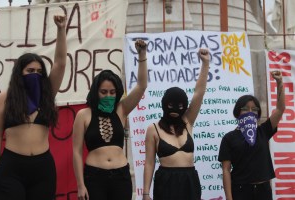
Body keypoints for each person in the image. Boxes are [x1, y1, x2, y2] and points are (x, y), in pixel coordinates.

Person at [0, 15, 67, 200]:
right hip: (12, 168)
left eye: (39, 72)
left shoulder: (46, 94)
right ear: (20, 73)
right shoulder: (6, 97)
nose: (35, 75)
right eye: (30, 71)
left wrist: (60, 30)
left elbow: (60, 63)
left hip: (42, 169)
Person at [72, 39, 148, 200]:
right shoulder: (83, 115)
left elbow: (141, 85)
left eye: (112, 92)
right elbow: (77, 152)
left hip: (121, 176)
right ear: (96, 92)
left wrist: (142, 54)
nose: (108, 96)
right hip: (94, 176)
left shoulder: (121, 109)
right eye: (104, 92)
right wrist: (80, 185)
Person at [142, 49, 210, 200]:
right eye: (170, 105)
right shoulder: (153, 129)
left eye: (179, 106)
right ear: (164, 105)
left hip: (190, 180)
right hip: (166, 181)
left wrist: (205, 63)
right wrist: (145, 192)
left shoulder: (187, 121)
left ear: (184, 107)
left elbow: (199, 93)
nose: (174, 110)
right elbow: (149, 162)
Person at [218, 71, 285, 200]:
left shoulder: (263, 131)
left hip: (263, 189)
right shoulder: (229, 138)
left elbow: (280, 109)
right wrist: (229, 197)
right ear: (237, 112)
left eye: (254, 109)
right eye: (245, 108)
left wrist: (279, 82)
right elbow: (226, 170)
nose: (250, 112)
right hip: (240, 190)